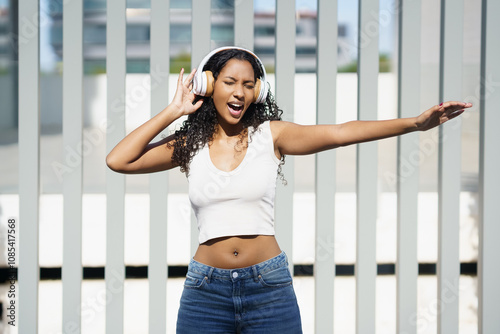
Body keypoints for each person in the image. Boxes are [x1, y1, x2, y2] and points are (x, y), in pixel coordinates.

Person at [106, 46, 471, 333]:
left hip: (268, 288)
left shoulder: (271, 135)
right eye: (230, 82)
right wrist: (173, 110)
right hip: (206, 292)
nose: (239, 93)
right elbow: (118, 160)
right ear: (208, 84)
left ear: (259, 91)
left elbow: (341, 132)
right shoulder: (189, 143)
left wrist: (414, 124)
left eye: (249, 85)